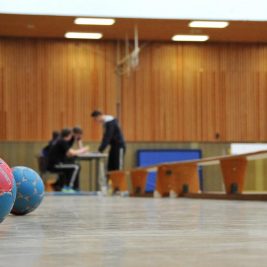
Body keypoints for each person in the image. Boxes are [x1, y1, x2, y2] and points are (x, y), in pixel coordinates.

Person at [47, 128, 88, 192]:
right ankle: (68, 187)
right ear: (69, 135)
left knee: (73, 164)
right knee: (76, 167)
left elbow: (68, 154)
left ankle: (67, 186)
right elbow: (71, 152)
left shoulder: (61, 141)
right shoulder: (62, 141)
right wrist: (83, 150)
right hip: (55, 165)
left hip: (57, 163)